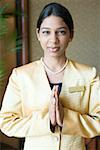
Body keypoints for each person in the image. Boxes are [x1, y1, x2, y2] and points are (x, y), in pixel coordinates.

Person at [0, 2, 100, 150]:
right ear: (38, 34)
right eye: (46, 32)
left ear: (71, 35)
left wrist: (65, 117)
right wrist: (47, 121)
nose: (53, 40)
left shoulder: (88, 74)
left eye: (61, 32)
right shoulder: (20, 76)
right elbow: (6, 123)